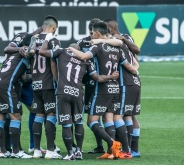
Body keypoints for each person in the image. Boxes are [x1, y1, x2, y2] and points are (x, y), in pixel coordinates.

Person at [39, 34, 120, 160]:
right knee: (78, 122)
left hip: (63, 92)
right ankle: (79, 152)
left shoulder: (62, 51)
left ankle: (70, 153)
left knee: (66, 124)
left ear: (70, 48)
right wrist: (111, 77)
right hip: (78, 93)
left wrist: (47, 39)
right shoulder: (86, 60)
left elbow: (42, 52)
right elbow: (97, 78)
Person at [69, 21, 138, 159]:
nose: (92, 36)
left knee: (92, 121)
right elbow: (129, 65)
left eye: (93, 33)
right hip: (115, 88)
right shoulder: (117, 49)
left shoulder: (97, 47)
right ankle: (115, 152)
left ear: (98, 33)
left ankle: (112, 143)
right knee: (109, 119)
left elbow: (83, 57)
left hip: (102, 89)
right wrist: (136, 70)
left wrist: (70, 50)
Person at [0, 33, 33, 159]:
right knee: (16, 117)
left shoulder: (12, 54)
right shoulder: (26, 52)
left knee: (0, 118)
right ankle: (16, 151)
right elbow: (24, 78)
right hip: (5, 85)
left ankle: (2, 151)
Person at [103, 19, 142, 157]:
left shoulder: (116, 41)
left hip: (126, 82)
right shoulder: (127, 38)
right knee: (130, 115)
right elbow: (136, 53)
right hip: (135, 81)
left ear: (111, 29)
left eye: (105, 29)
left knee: (118, 115)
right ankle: (134, 149)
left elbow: (135, 51)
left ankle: (126, 150)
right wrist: (136, 69)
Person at [3, 28, 42, 154]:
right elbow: (7, 48)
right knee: (11, 114)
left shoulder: (40, 41)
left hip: (25, 84)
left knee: (36, 109)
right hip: (14, 82)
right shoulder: (23, 36)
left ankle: (32, 145)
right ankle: (9, 147)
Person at [28, 15, 62, 159]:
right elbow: (54, 63)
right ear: (54, 28)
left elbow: (29, 56)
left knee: (39, 115)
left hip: (36, 82)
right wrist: (58, 81)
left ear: (43, 26)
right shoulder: (53, 40)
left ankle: (36, 150)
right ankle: (50, 150)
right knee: (51, 114)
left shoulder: (33, 39)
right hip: (49, 83)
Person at [77, 18, 105, 154]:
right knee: (97, 116)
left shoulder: (86, 42)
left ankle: (107, 145)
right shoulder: (85, 42)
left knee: (96, 117)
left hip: (95, 81)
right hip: (91, 82)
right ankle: (101, 146)